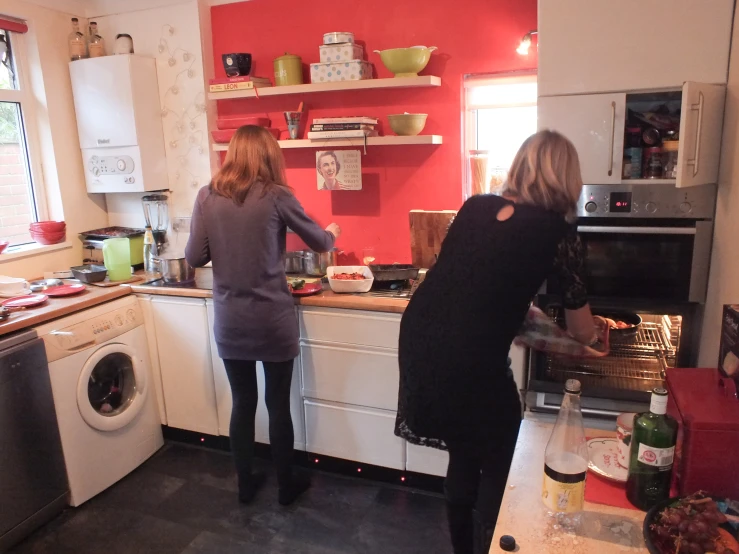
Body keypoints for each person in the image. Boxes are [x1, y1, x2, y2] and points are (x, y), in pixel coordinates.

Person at [395, 130, 597, 554]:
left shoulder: (476, 206)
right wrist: (591, 337)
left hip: (421, 336)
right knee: (501, 450)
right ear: (568, 179)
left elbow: (472, 285)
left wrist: (520, 322)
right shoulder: (559, 230)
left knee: (465, 445)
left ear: (522, 165)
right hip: (468, 352)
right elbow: (582, 330)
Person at [185, 125, 341, 506]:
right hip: (271, 318)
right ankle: (286, 486)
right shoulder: (276, 195)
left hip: (230, 319)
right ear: (269, 155)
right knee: (277, 404)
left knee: (242, 402)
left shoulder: (207, 196)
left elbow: (193, 257)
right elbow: (320, 242)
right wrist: (333, 231)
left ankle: (244, 484)